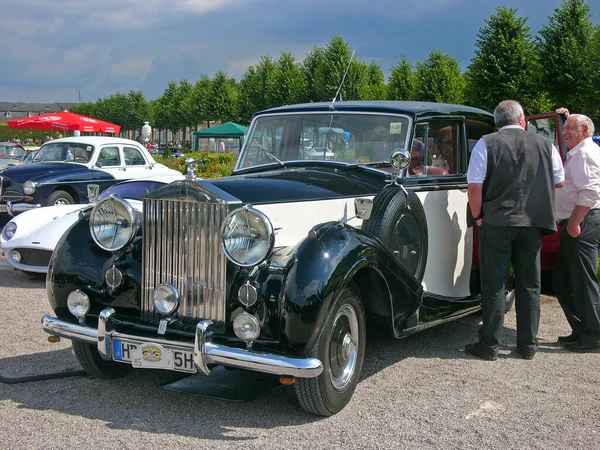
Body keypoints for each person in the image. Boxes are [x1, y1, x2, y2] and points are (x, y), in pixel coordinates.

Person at [465, 100, 565, 361]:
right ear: (522, 119)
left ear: (499, 121)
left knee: (495, 283)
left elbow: (474, 187)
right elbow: (560, 181)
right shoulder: (546, 144)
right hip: (532, 222)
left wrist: (477, 217)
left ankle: (489, 346)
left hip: (496, 221)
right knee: (530, 284)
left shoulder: (485, 144)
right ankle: (528, 345)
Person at [553, 113, 600, 353]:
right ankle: (583, 329)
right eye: (565, 127)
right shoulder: (579, 153)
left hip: (582, 223)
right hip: (577, 222)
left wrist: (574, 223)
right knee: (562, 280)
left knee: (582, 281)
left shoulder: (584, 154)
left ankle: (593, 334)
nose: (564, 132)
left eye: (570, 127)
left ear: (585, 130)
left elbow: (590, 192)